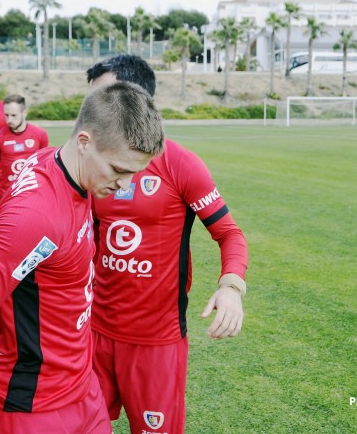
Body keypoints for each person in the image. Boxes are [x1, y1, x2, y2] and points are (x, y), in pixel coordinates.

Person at [0, 82, 166, 434]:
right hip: (30, 407)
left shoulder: (62, 166)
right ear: (84, 142)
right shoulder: (37, 215)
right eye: (118, 170)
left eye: (134, 174)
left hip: (81, 388)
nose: (125, 185)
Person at [86, 55, 249, 434]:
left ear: (136, 97)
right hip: (91, 332)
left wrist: (231, 287)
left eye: (101, 98)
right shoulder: (90, 163)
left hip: (155, 343)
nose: (89, 112)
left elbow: (230, 234)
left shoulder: (180, 165)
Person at [0, 94, 49, 213]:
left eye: (13, 115)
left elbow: (45, 168)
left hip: (33, 196)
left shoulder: (40, 135)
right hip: (6, 197)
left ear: (24, 112)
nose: (9, 120)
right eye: (6, 115)